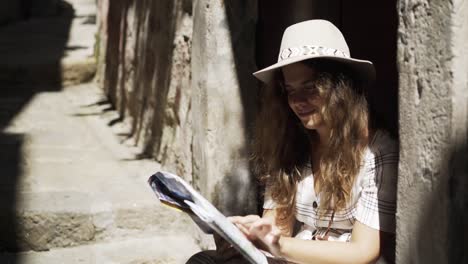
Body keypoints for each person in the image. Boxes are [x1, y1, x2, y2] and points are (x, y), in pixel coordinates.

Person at [187, 19, 398, 264]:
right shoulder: (291, 144)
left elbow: (364, 252)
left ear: (342, 88)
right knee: (204, 261)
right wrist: (245, 238)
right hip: (290, 259)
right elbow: (276, 228)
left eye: (310, 88)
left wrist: (278, 245)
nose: (298, 101)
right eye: (290, 90)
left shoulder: (377, 151)